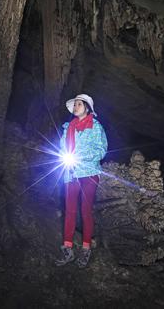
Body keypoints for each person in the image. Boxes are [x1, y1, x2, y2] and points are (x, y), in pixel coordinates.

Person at [54, 93, 108, 268]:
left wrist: (81, 156)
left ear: (87, 107)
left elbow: (101, 150)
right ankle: (67, 249)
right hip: (70, 173)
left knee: (85, 211)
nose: (75, 107)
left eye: (79, 104)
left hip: (89, 173)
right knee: (69, 210)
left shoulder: (96, 127)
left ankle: (86, 249)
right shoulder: (68, 127)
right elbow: (63, 146)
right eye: (75, 104)